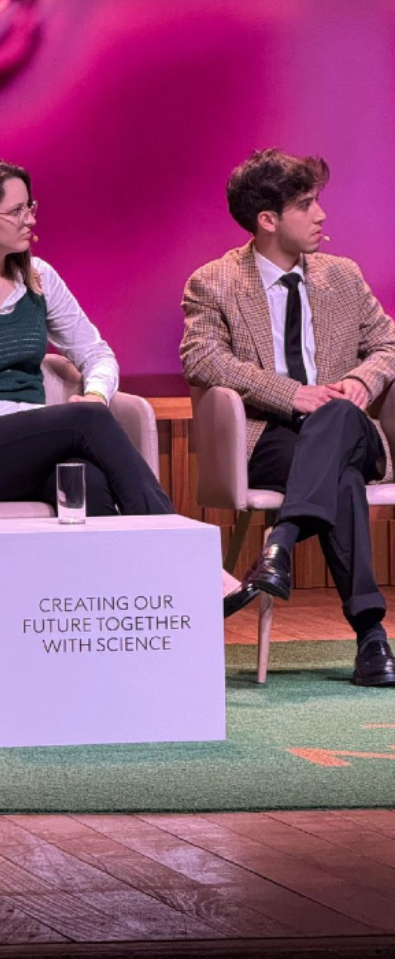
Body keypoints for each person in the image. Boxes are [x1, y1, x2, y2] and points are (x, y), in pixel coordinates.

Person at [181, 148, 395, 687]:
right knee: (339, 477)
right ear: (268, 220)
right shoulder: (214, 281)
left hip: (350, 431)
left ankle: (281, 541)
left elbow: (389, 342)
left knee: (341, 416)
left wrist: (360, 382)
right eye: (306, 204)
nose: (321, 215)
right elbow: (201, 356)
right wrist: (291, 393)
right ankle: (371, 637)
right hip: (272, 436)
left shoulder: (341, 276)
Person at [0, 156, 188, 519]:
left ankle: (126, 574)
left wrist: (95, 394)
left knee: (87, 479)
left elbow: (97, 353)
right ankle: (170, 541)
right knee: (85, 419)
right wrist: (46, 417)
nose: (31, 219)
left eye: (30, 206)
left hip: (41, 448)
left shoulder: (39, 278)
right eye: (16, 211)